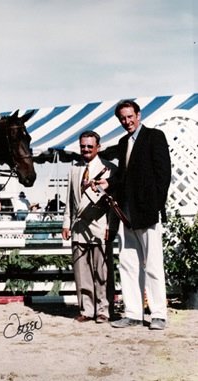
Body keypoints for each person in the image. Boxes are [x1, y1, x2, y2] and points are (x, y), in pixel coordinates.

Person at [98, 99, 171, 330]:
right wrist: (107, 183)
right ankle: (133, 314)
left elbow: (164, 175)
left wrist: (155, 206)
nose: (127, 121)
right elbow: (123, 178)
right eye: (122, 118)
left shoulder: (154, 137)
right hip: (126, 214)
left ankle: (158, 314)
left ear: (138, 115)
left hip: (147, 214)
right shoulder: (123, 142)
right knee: (128, 265)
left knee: (153, 265)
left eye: (130, 116)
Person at [62, 131, 117, 324]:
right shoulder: (74, 169)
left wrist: (111, 226)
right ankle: (87, 309)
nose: (85, 149)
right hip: (78, 228)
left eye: (89, 146)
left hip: (100, 227)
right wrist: (66, 223)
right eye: (83, 146)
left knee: (102, 272)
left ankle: (104, 310)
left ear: (98, 147)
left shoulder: (109, 169)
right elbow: (70, 200)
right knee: (82, 271)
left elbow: (113, 203)